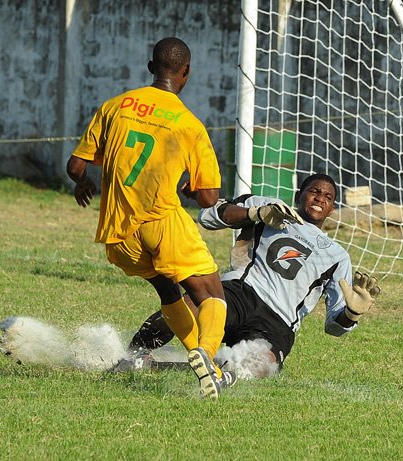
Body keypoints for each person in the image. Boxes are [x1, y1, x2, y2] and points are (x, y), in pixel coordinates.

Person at [66, 37, 293, 398]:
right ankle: (208, 358)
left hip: (118, 231)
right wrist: (191, 189)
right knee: (211, 292)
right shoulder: (188, 124)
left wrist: (82, 184)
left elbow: (76, 165)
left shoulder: (114, 106)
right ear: (186, 72)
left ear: (150, 67)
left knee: (167, 289)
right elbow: (209, 198)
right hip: (161, 222)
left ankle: (202, 362)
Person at [119, 173, 381, 377]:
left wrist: (352, 313)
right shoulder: (270, 207)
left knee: (255, 368)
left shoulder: (337, 256)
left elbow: (334, 327)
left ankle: (175, 369)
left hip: (277, 323)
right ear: (299, 194)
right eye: (314, 191)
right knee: (187, 307)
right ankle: (130, 355)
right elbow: (209, 216)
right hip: (240, 292)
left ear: (332, 208)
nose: (320, 198)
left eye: (327, 196)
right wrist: (254, 214)